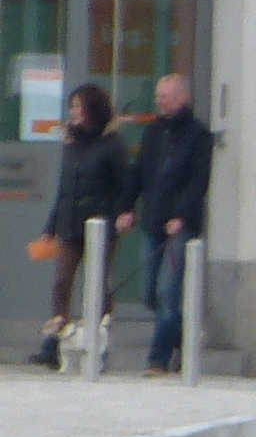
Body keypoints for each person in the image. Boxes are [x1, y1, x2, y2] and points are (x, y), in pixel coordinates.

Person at [116, 73, 215, 376]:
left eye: (165, 96)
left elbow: (198, 182)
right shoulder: (153, 132)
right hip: (153, 220)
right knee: (149, 294)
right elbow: (139, 172)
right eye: (158, 95)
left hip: (180, 226)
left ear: (182, 98)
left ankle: (157, 359)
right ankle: (184, 339)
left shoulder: (199, 135)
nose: (159, 100)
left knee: (169, 292)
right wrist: (127, 207)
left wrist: (181, 216)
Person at [28, 84, 123, 370]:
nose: (74, 112)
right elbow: (65, 187)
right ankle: (56, 341)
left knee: (97, 284)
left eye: (79, 107)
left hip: (99, 225)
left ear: (93, 109)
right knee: (61, 282)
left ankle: (99, 343)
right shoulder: (71, 143)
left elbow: (122, 185)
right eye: (73, 107)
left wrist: (120, 214)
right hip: (69, 223)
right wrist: (51, 225)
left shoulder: (111, 144)